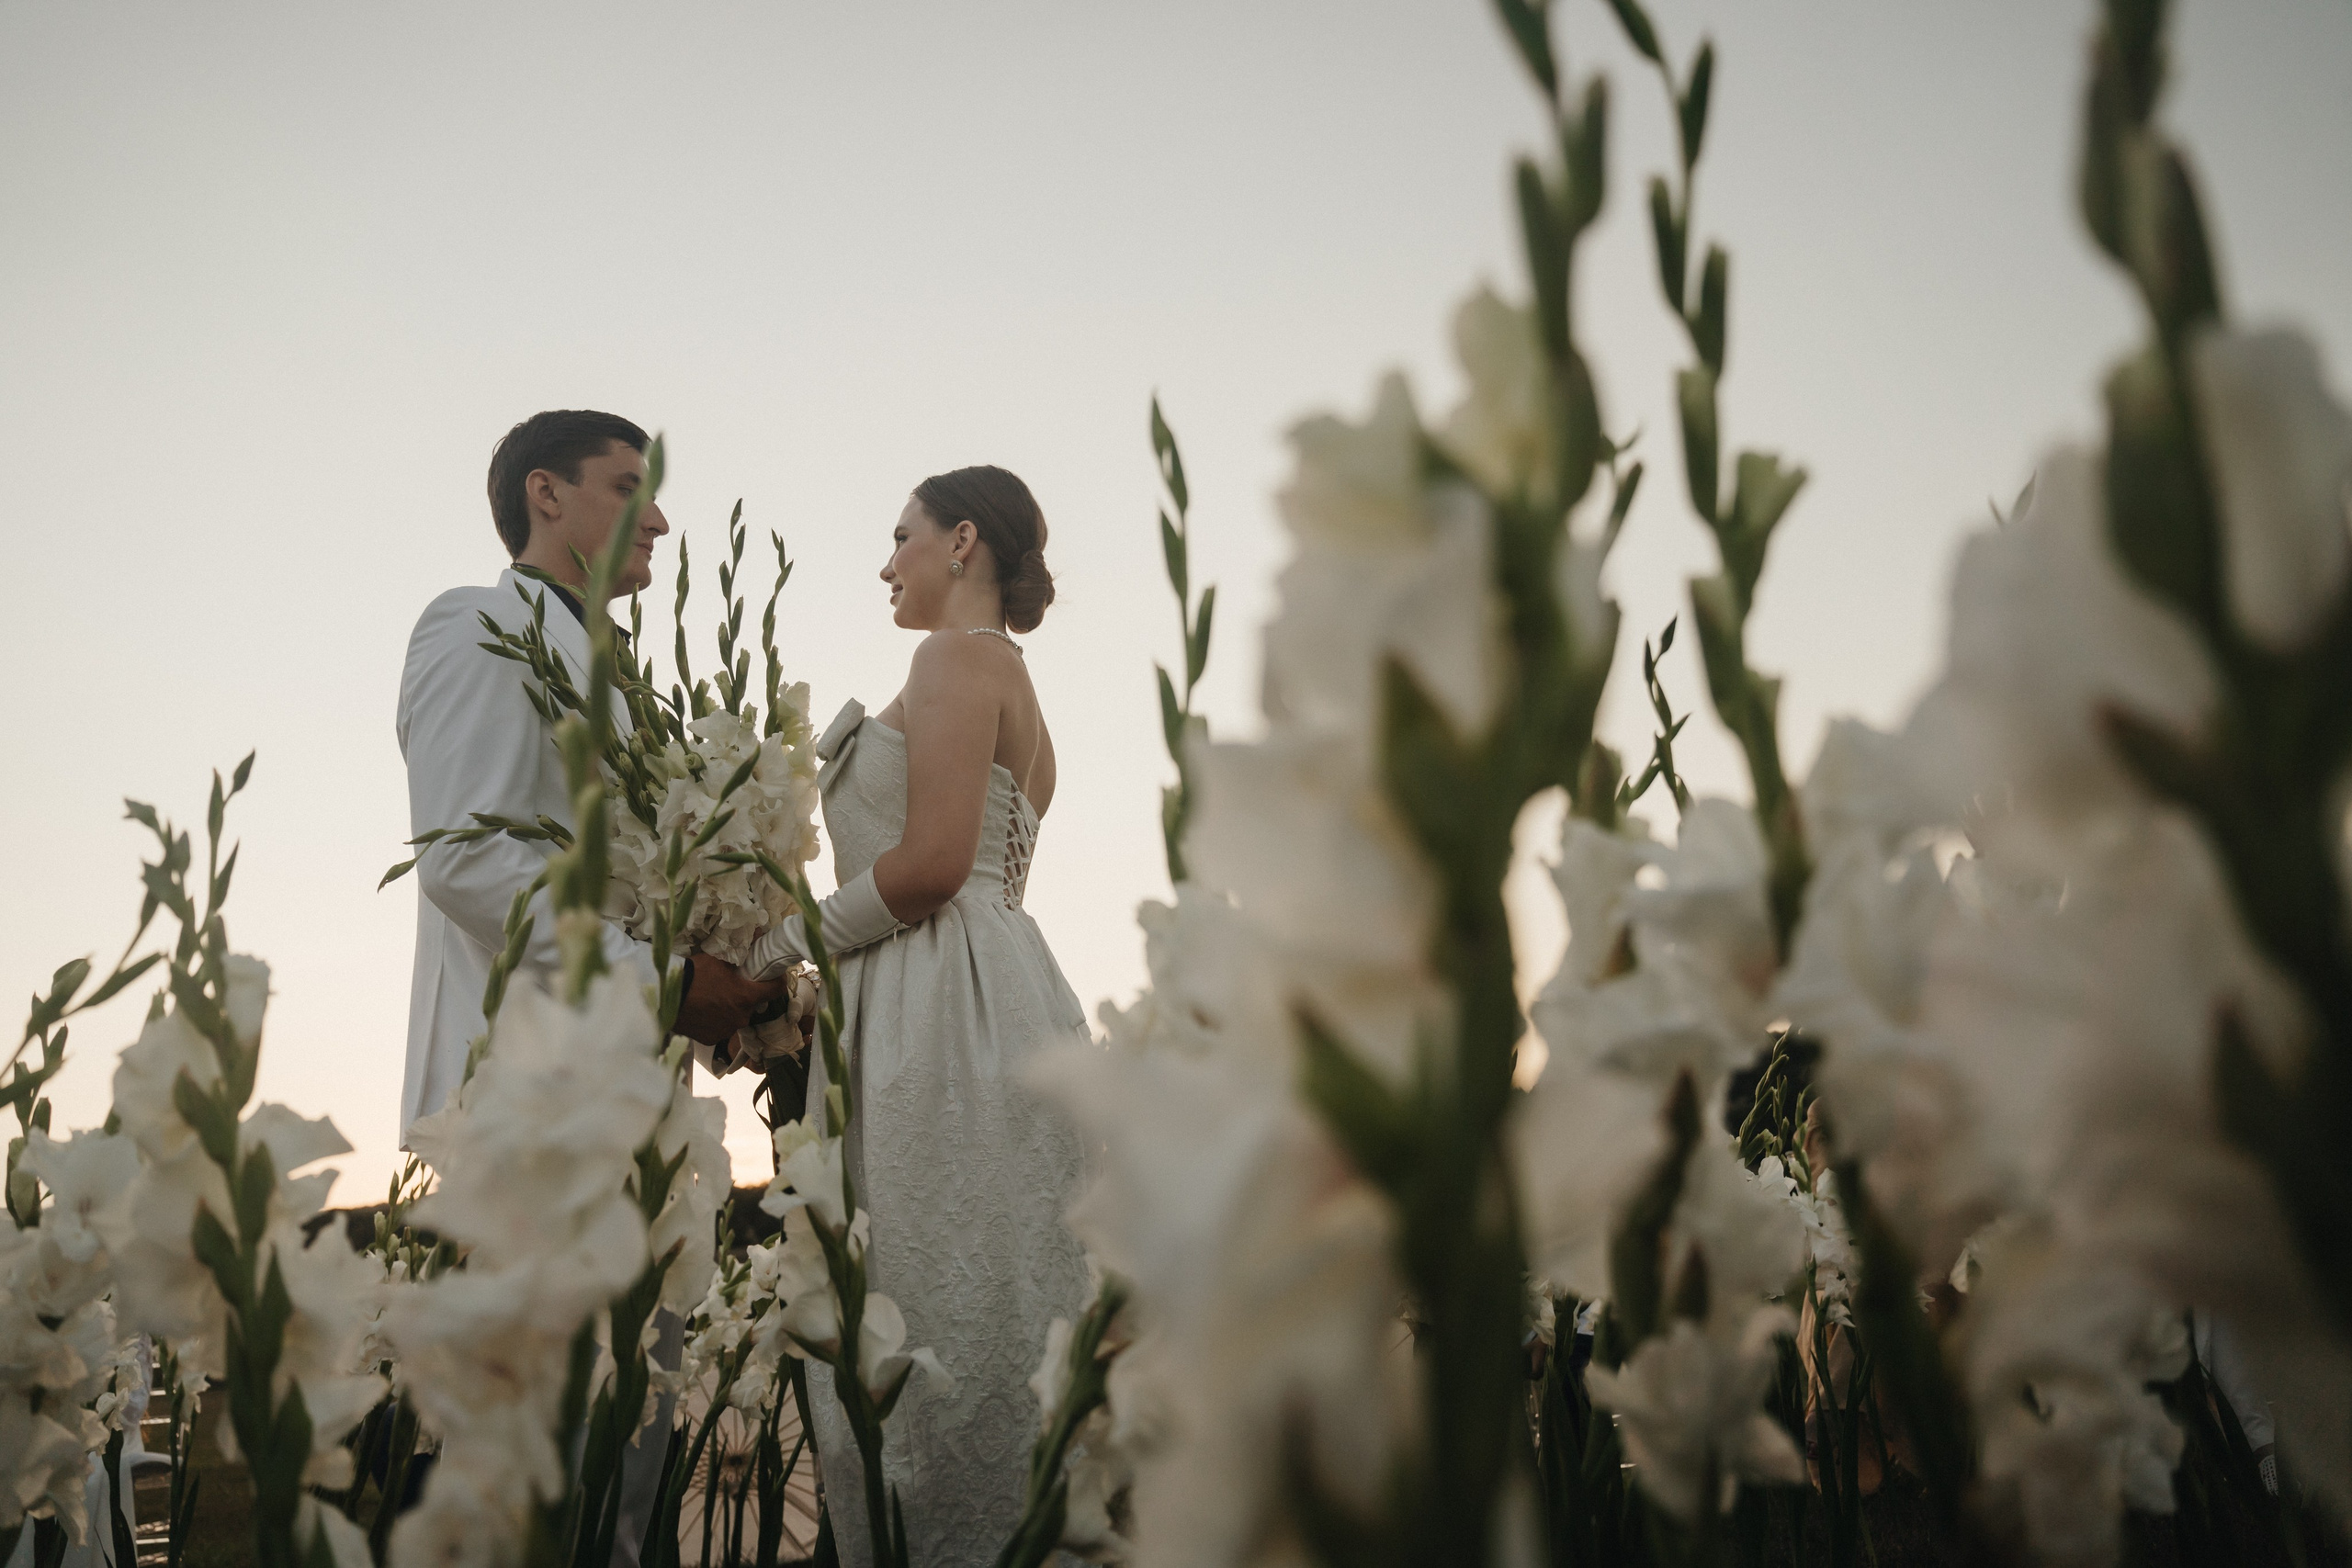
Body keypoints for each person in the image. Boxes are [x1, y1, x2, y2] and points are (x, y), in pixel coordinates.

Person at [396, 408, 785, 1564]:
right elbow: (465, 860)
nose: (660, 516)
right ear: (543, 496)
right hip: (526, 1105)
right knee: (537, 1486)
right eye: (630, 486)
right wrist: (666, 980)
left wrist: (740, 987)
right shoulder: (471, 627)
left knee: (631, 1482)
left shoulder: (629, 686)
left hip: (639, 1117)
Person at [741, 466, 1091, 1566]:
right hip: (997, 997)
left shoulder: (948, 659)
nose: (886, 561)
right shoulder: (1017, 689)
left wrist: (778, 947)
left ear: (961, 543)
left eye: (902, 537)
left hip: (930, 1011)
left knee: (927, 1302)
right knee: (998, 1285)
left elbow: (935, 865)